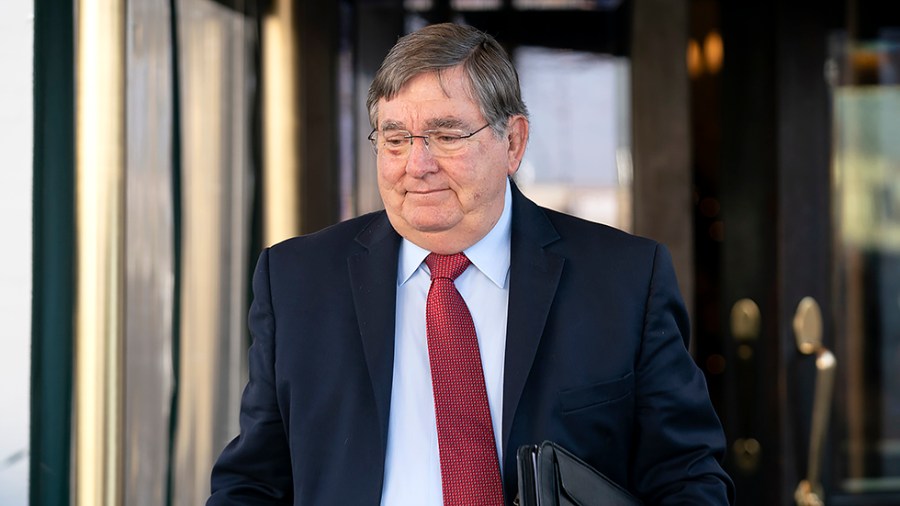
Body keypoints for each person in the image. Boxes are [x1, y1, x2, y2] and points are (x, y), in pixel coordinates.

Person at [208, 22, 733, 505]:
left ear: (514, 142)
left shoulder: (623, 280)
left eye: (447, 136)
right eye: (396, 139)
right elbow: (254, 481)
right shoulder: (296, 280)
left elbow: (686, 474)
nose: (418, 165)